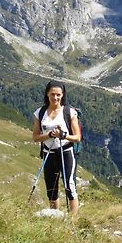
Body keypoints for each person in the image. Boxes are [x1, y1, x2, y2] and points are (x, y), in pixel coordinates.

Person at [32, 80, 81, 215]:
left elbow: (77, 137)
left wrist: (63, 135)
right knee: (51, 190)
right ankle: (55, 218)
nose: (55, 98)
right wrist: (49, 135)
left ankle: (73, 221)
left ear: (63, 95)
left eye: (58, 95)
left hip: (66, 152)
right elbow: (36, 137)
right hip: (49, 153)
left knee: (70, 187)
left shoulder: (69, 112)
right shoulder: (39, 113)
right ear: (47, 94)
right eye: (52, 94)